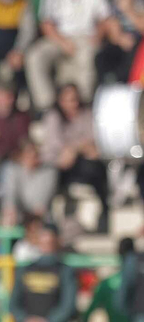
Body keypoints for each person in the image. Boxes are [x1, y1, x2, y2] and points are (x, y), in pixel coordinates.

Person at [26, 0, 114, 109]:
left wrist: (97, 37)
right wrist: (62, 42)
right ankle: (46, 106)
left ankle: (82, 105)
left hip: (85, 38)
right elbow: (46, 23)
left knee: (89, 57)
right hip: (58, 38)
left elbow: (104, 19)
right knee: (34, 57)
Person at [41, 83, 108, 229]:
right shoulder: (53, 116)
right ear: (60, 101)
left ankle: (104, 213)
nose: (74, 103)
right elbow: (55, 145)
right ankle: (47, 218)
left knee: (96, 168)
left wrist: (74, 149)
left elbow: (93, 142)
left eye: (75, 99)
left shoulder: (87, 114)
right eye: (69, 99)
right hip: (57, 164)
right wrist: (77, 148)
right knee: (51, 173)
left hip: (81, 163)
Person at [0, 139, 59, 226]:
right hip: (17, 215)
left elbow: (40, 206)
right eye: (28, 154)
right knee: (7, 215)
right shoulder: (10, 168)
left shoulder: (49, 171)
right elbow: (9, 194)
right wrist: (11, 209)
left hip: (39, 218)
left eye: (35, 154)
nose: (32, 158)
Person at [103, 0, 144, 84]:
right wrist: (120, 38)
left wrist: (129, 10)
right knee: (102, 57)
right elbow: (111, 24)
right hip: (122, 41)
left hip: (140, 42)